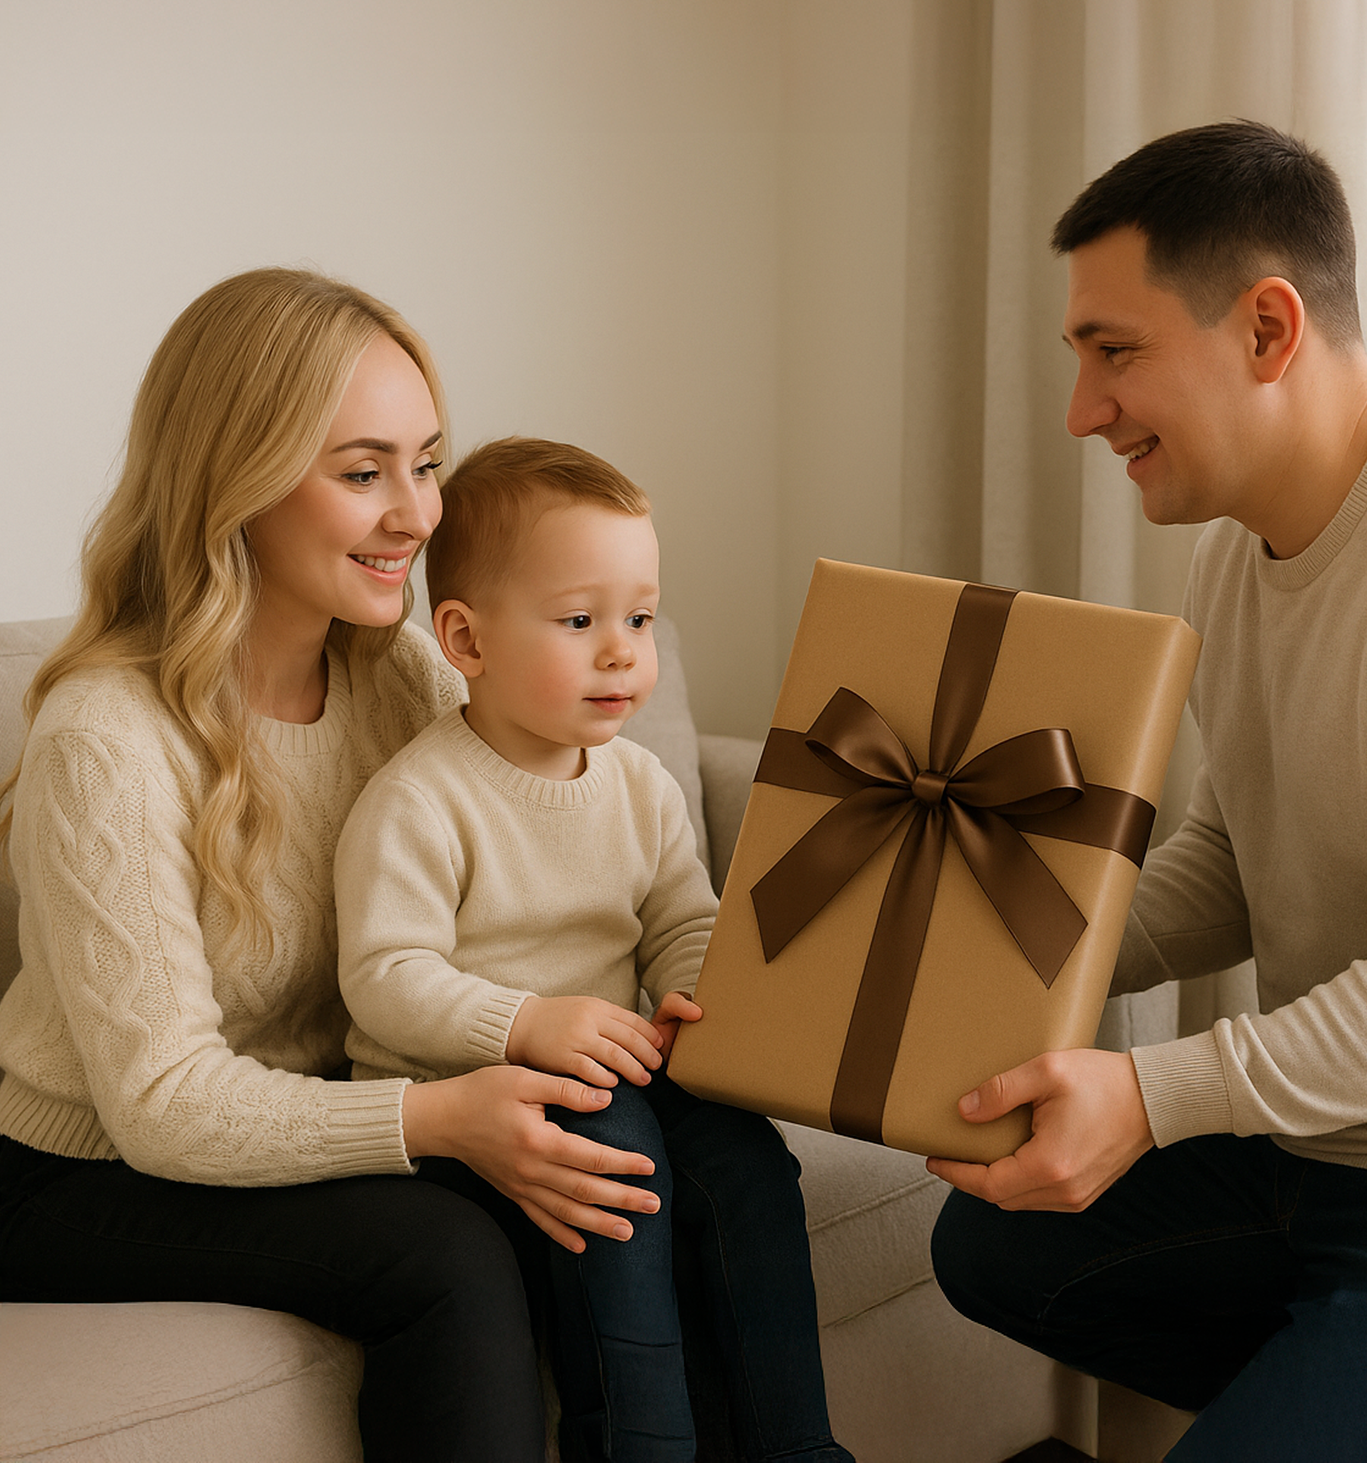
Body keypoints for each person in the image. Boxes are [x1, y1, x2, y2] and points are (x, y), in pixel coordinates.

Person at [0, 268, 666, 1463]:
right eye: (363, 474)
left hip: (319, 1105)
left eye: (426, 462)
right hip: (72, 1169)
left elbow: (552, 870)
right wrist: (445, 1116)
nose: (418, 516)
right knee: (443, 1252)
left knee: (634, 1181)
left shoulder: (402, 676)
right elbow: (161, 1107)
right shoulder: (107, 736)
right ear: (234, 484)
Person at [927, 121, 1367, 1461]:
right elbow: (1235, 863)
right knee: (994, 1242)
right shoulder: (1243, 554)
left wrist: (1150, 1097)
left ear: (1267, 329)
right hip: (1327, 1155)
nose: (1082, 412)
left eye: (1114, 353)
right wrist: (993, 953)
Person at [335, 436, 851, 1463]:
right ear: (465, 640)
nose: (623, 652)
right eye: (580, 622)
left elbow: (680, 917)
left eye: (641, 619)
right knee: (611, 1139)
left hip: (614, 1066)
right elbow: (385, 979)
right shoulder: (420, 799)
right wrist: (526, 1023)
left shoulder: (640, 786)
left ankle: (797, 1444)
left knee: (745, 1159)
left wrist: (693, 992)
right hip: (469, 1109)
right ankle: (637, 1441)